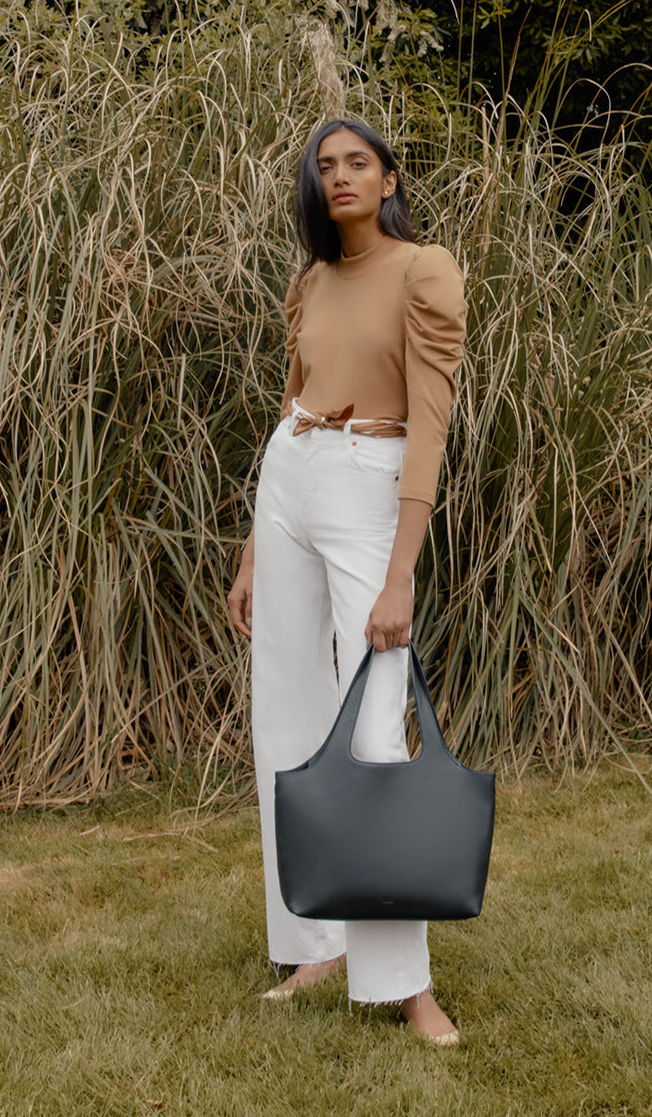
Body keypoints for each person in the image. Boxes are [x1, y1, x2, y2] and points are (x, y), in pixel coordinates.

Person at [226, 119, 467, 1045]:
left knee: (373, 731)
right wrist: (253, 548)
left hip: (373, 486)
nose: (340, 177)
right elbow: (290, 407)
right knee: (284, 714)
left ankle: (406, 984)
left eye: (356, 163)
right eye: (324, 167)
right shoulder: (310, 281)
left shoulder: (424, 269)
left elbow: (431, 428)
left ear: (389, 176)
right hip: (290, 480)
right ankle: (315, 942)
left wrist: (400, 572)